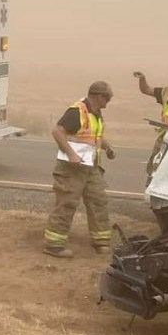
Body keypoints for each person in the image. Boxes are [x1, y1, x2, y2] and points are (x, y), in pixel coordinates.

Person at [43, 82, 116, 258]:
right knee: (67, 203)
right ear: (99, 97)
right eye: (108, 98)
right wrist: (71, 154)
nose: (109, 102)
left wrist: (108, 148)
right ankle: (54, 245)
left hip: (91, 167)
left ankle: (101, 240)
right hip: (71, 168)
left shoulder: (96, 113)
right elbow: (57, 131)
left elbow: (95, 135)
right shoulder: (77, 111)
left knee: (98, 200)